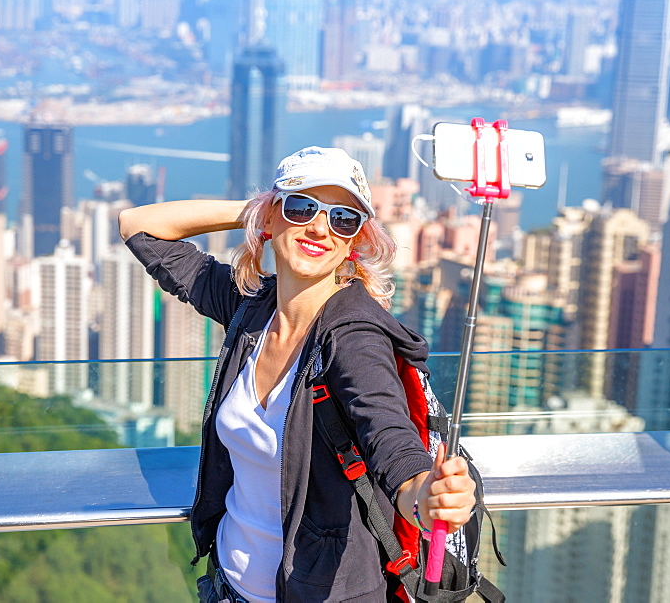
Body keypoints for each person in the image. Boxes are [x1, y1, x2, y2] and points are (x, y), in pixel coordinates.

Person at [119, 146, 476, 602]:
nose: (320, 228)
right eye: (303, 207)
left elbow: (387, 431)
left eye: (343, 219)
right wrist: (258, 213)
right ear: (272, 216)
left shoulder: (354, 336)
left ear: (355, 240)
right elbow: (138, 226)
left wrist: (423, 492)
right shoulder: (252, 308)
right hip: (228, 585)